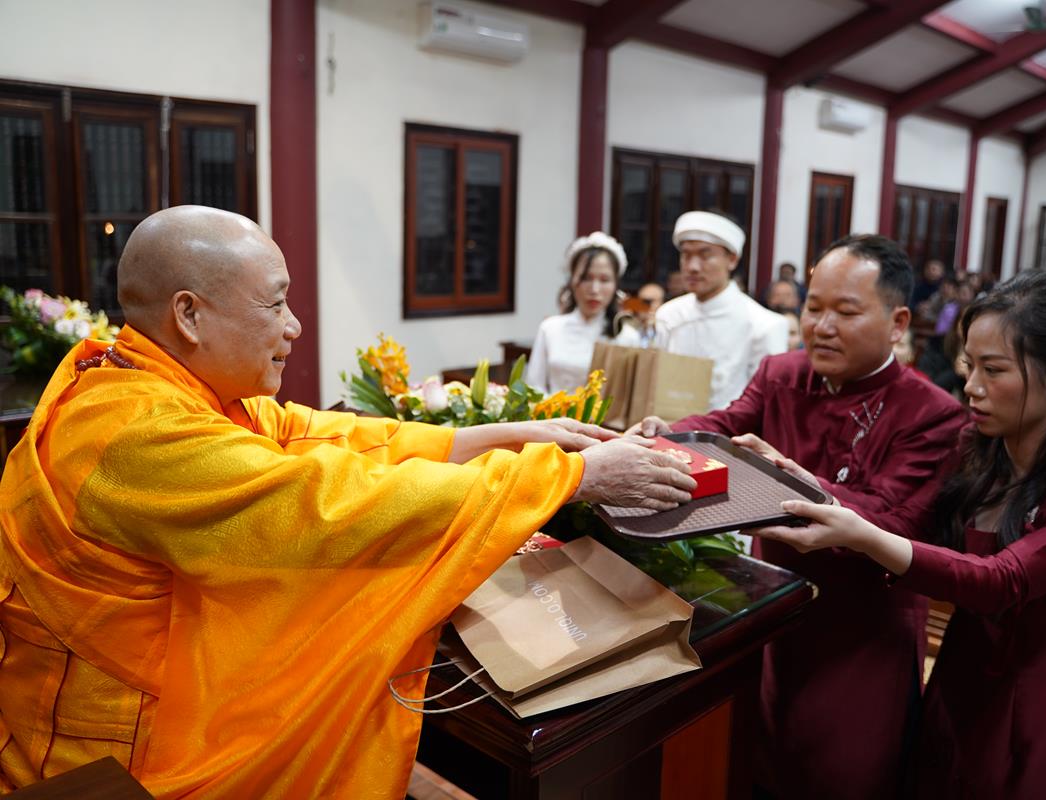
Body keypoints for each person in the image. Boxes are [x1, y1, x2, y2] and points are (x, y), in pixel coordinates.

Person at [0, 206, 697, 797]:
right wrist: (568, 477)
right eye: (275, 303)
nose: (294, 326)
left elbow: (320, 436)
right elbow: (329, 502)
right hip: (111, 759)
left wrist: (495, 436)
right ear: (189, 315)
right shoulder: (138, 435)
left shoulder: (145, 379)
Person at [757, 270, 1046, 798]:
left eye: (994, 369)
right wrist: (810, 485)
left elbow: (999, 582)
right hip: (956, 682)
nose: (972, 387)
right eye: (969, 366)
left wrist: (862, 535)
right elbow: (904, 521)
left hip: (1039, 703)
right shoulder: (975, 456)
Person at [632, 234, 966, 798]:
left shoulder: (932, 413)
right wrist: (671, 433)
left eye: (846, 312)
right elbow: (725, 424)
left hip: (862, 626)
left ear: (898, 322)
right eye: (814, 308)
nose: (822, 326)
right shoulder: (782, 374)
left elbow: (898, 521)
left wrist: (796, 481)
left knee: (846, 773)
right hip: (772, 605)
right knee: (757, 761)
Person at [652, 210, 787, 411]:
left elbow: (767, 403)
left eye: (705, 255)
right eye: (686, 255)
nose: (693, 267)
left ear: (732, 260)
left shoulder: (763, 325)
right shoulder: (669, 315)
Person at [526, 231, 633, 394]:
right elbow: (534, 386)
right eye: (586, 278)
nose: (594, 289)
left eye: (604, 280)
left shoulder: (627, 337)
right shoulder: (550, 328)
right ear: (572, 281)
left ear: (616, 285)